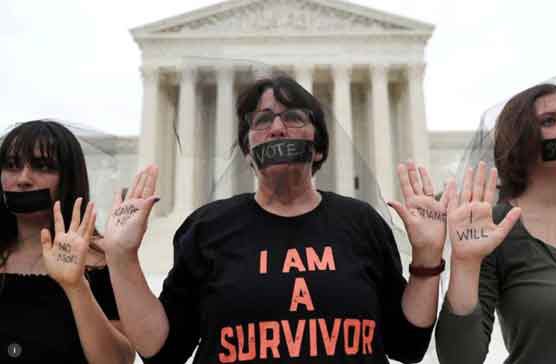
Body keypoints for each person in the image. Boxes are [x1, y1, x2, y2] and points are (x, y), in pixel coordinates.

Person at [102, 75, 452, 363]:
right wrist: (122, 258)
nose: (277, 128)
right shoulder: (207, 228)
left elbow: (408, 346)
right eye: (263, 120)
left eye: (294, 117)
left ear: (318, 148)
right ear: (247, 153)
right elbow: (162, 351)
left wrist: (426, 257)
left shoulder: (361, 223)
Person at [435, 84, 556, 364]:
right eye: (549, 121)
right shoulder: (495, 229)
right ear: (519, 138)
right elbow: (460, 359)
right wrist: (465, 264)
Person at [0, 120, 134, 363]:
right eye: (11, 165)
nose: (23, 178)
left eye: (42, 166)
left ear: (68, 178)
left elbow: (119, 360)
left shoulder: (101, 260)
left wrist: (77, 288)